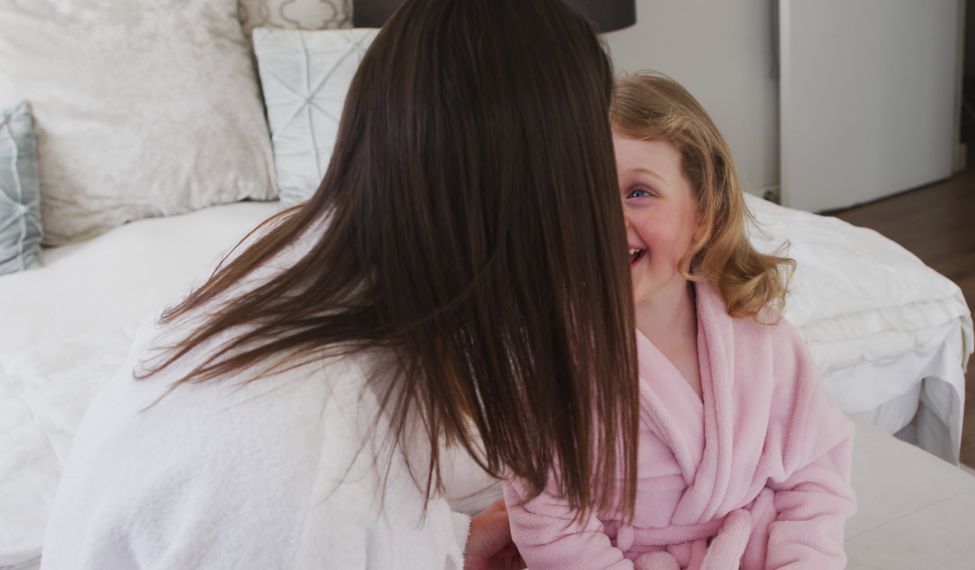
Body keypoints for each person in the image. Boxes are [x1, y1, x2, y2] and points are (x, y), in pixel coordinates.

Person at [39, 1, 641, 568]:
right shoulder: (305, 464)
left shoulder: (294, 253)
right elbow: (311, 511)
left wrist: (451, 544)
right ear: (545, 187)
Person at [504, 73, 857, 570]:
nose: (605, 218)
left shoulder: (758, 331)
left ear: (704, 215)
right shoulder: (547, 357)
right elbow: (551, 524)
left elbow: (814, 474)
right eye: (582, 196)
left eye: (639, 192)